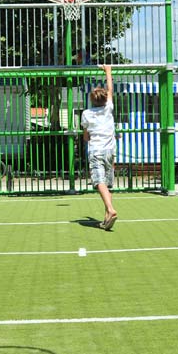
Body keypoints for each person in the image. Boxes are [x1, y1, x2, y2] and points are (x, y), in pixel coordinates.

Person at [81, 64, 118, 230]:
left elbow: (86, 135)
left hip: (96, 150)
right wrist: (108, 71)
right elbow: (110, 89)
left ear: (91, 100)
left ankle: (110, 209)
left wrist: (87, 137)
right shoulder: (108, 108)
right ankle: (106, 218)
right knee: (108, 184)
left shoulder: (87, 114)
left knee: (98, 182)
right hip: (110, 151)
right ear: (105, 99)